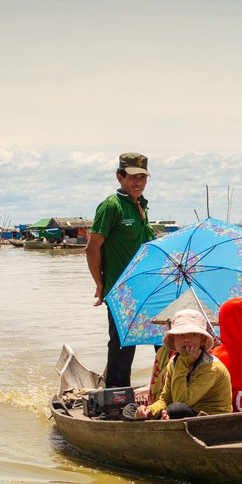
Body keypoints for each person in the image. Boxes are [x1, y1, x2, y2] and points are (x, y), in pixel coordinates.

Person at [86, 152, 154, 388]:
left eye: (143, 178)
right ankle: (115, 397)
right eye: (133, 177)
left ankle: (165, 390)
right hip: (120, 290)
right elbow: (92, 248)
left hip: (145, 288)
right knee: (123, 347)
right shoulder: (111, 206)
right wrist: (100, 284)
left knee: (163, 340)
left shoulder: (140, 206)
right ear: (120, 177)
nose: (138, 183)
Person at [123, 309, 232, 420]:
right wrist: (149, 410)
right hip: (183, 410)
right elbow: (166, 399)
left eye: (193, 334)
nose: (186, 339)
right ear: (173, 339)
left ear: (202, 340)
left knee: (176, 410)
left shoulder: (211, 367)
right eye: (180, 334)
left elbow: (182, 401)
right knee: (129, 409)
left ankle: (166, 418)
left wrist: (183, 363)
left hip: (210, 418)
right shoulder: (173, 362)